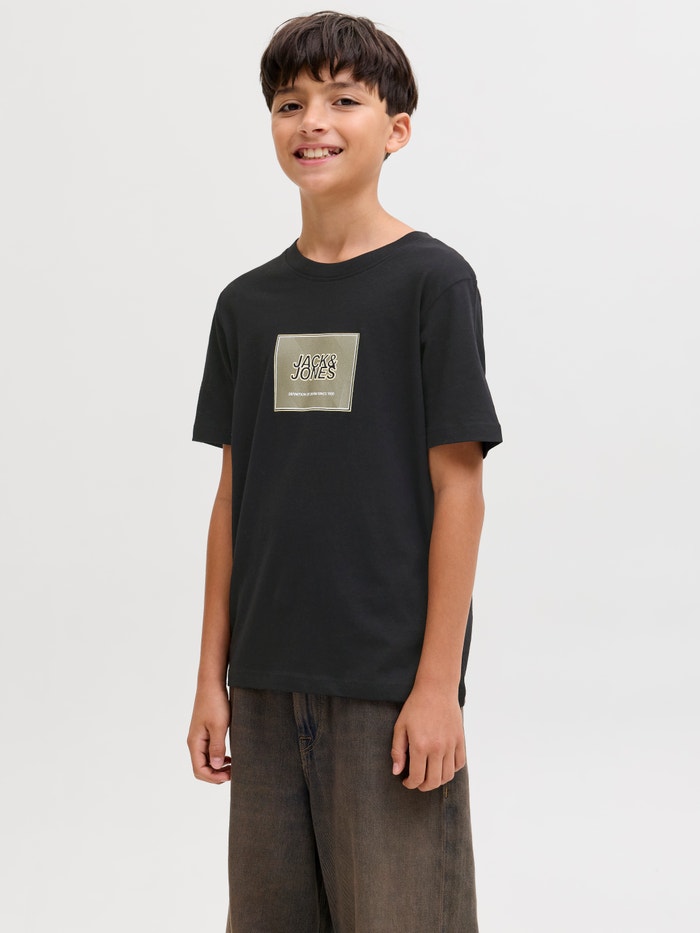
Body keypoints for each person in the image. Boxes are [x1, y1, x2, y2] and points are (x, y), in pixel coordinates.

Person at [187, 10, 503, 932]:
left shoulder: (433, 284)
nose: (312, 121)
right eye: (289, 103)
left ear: (396, 129)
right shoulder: (246, 305)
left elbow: (460, 489)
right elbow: (233, 498)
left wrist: (437, 685)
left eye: (342, 99)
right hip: (265, 686)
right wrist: (212, 677)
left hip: (387, 689)